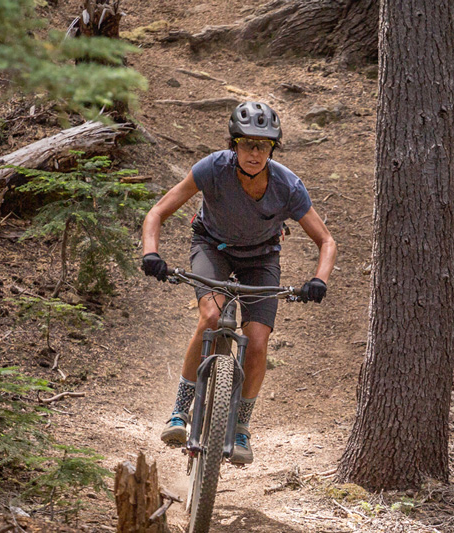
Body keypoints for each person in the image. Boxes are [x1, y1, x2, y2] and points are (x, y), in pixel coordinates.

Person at [139, 101, 338, 465]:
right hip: (212, 248)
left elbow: (326, 240)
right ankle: (180, 411)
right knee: (211, 318)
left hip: (261, 258)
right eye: (247, 144)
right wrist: (151, 253)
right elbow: (158, 211)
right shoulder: (213, 169)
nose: (254, 152)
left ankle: (241, 426)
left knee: (258, 339)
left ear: (272, 149)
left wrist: (318, 280)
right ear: (233, 145)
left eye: (263, 145)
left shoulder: (288, 186)